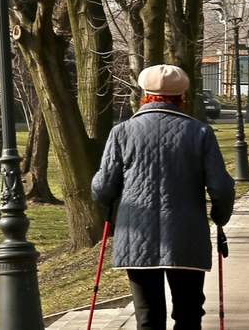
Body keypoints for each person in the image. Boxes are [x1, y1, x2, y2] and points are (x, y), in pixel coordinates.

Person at [91, 64, 235, 330]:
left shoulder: (121, 132)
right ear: (182, 96)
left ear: (145, 94)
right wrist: (219, 216)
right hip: (187, 236)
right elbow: (221, 188)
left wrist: (109, 197)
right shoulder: (200, 132)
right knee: (189, 313)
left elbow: (102, 189)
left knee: (147, 316)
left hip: (136, 236)